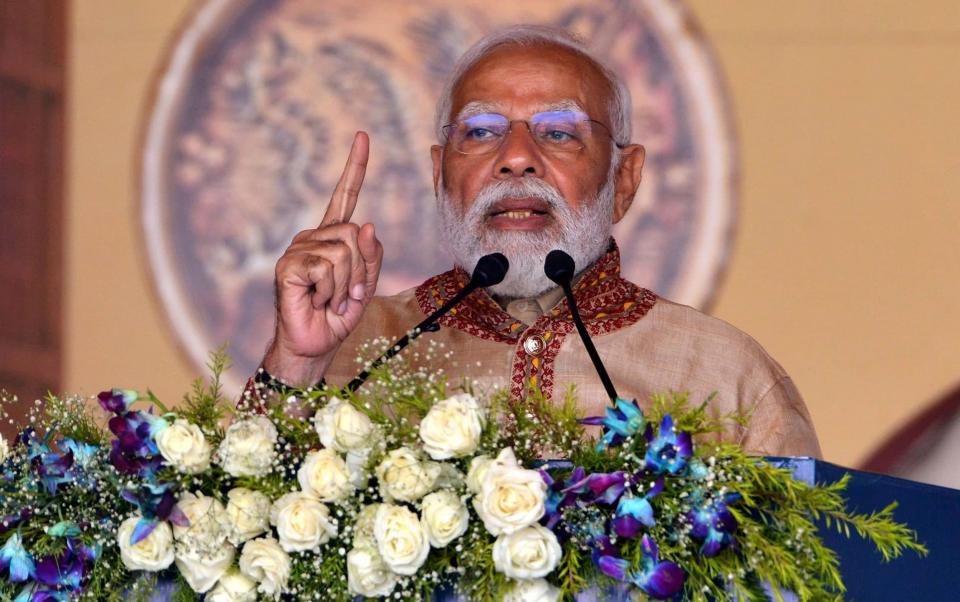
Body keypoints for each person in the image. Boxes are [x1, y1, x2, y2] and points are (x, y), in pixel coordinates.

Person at [248, 25, 821, 458]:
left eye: (557, 132)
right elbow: (222, 546)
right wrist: (295, 365)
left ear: (624, 180)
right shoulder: (347, 352)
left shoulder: (727, 376)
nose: (517, 158)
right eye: (480, 132)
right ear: (439, 172)